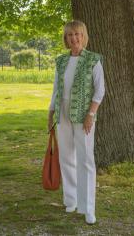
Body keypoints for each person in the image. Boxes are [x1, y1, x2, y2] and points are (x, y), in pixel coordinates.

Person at [48, 20, 105, 224]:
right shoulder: (61, 61)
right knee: (66, 158)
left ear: (83, 36)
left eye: (77, 34)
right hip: (62, 113)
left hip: (84, 116)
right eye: (70, 35)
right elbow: (56, 89)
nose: (74, 38)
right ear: (66, 38)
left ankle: (88, 208)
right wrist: (50, 113)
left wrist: (91, 115)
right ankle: (70, 200)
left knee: (86, 160)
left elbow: (100, 90)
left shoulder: (93, 60)